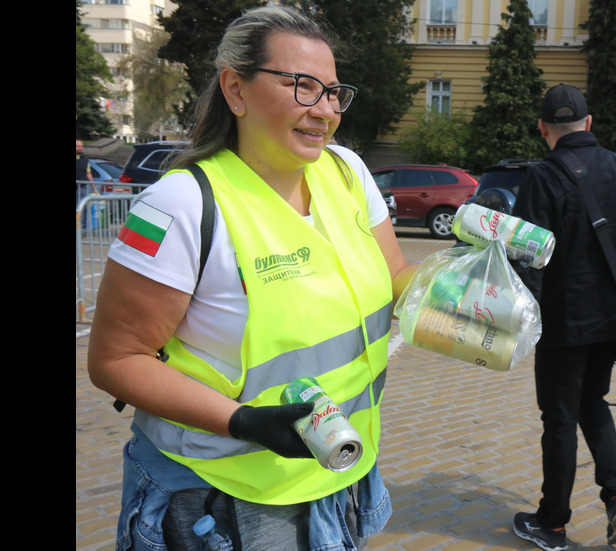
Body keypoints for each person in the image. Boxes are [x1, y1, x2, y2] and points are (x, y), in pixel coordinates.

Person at [88, 6, 417, 549]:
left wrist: (457, 290)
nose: (325, 110)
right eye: (303, 86)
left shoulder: (346, 173)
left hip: (333, 472)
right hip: (219, 496)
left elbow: (396, 275)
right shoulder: (179, 204)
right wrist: (243, 422)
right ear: (235, 90)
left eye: (333, 92)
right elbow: (115, 361)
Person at [510, 84, 616, 551]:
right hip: (613, 320)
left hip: (563, 324)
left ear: (542, 128)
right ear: (589, 124)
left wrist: (519, 322)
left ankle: (552, 522)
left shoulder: (542, 176)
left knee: (560, 419)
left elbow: (526, 259)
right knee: (593, 404)